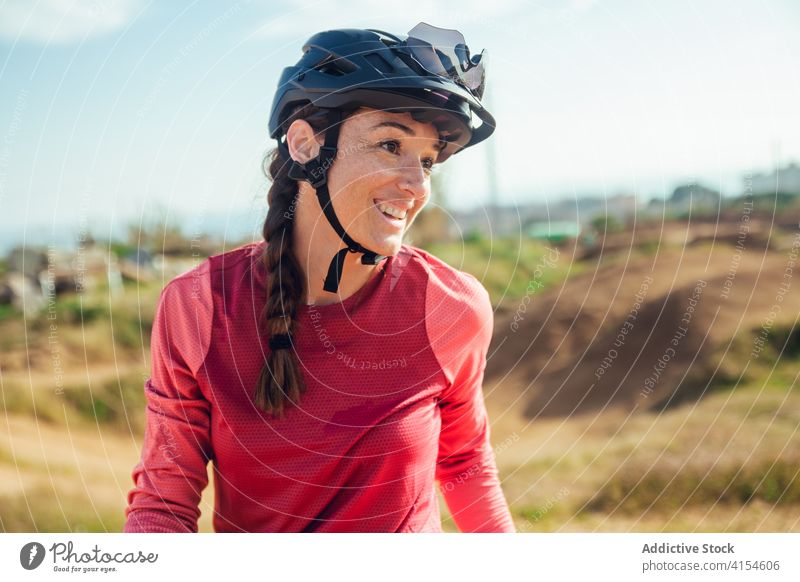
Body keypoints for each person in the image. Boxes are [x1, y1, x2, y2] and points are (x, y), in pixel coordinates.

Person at [123, 22, 515, 533]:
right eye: (390, 145)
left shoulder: (450, 306)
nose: (418, 185)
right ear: (306, 144)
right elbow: (163, 507)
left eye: (427, 160)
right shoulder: (200, 307)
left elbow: (465, 465)